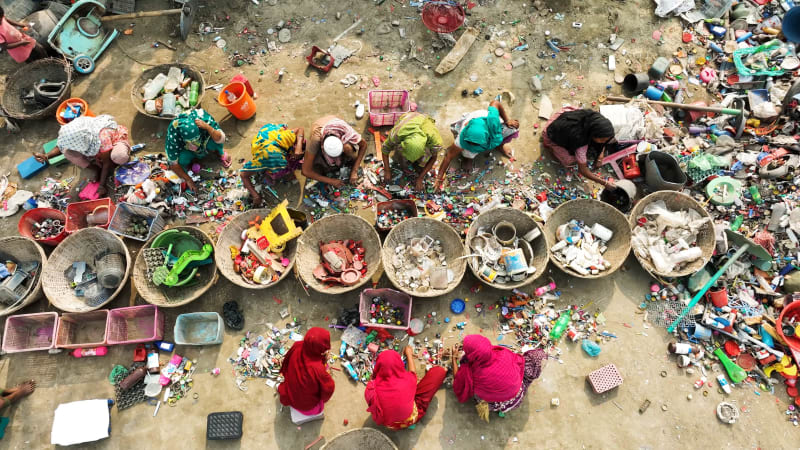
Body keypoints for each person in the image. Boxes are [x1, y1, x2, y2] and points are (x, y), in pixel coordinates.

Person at [452, 334, 546, 422]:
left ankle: (491, 406)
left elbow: (458, 380)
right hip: (518, 394)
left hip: (501, 402)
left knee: (474, 387)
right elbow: (518, 361)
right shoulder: (502, 353)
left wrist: (454, 358)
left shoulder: (470, 372)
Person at [34, 115, 131, 197]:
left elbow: (107, 163)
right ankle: (96, 168)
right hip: (93, 144)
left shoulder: (102, 138)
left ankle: (120, 149)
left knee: (118, 156)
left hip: (113, 140)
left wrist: (102, 185)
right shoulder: (72, 132)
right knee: (67, 152)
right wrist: (46, 156)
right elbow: (60, 146)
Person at [436, 100, 520, 188]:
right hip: (476, 124)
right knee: (468, 151)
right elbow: (448, 157)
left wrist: (507, 121)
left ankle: (500, 146)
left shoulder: (493, 121)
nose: (471, 145)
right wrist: (439, 177)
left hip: (487, 123)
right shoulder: (462, 138)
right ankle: (468, 158)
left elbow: (495, 103)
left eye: (475, 144)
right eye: (469, 143)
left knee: (512, 129)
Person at [365, 346, 447, 430]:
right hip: (410, 419)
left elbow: (373, 404)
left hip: (389, 424)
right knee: (439, 372)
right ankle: (408, 422)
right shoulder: (407, 381)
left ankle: (397, 423)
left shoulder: (370, 388)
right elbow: (413, 373)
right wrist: (409, 355)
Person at [541, 107, 618, 188]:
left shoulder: (593, 117)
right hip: (552, 133)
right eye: (601, 139)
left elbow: (605, 140)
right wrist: (604, 183)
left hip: (564, 117)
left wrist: (600, 155)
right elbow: (583, 170)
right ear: (593, 133)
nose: (603, 142)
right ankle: (551, 148)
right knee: (570, 160)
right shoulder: (580, 142)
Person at [165, 109, 231, 192]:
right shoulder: (174, 135)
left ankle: (220, 152)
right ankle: (193, 160)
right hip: (187, 148)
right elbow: (173, 163)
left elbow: (221, 138)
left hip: (204, 139)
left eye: (196, 138)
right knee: (181, 160)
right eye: (191, 140)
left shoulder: (202, 118)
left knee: (215, 140)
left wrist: (207, 127)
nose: (195, 142)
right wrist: (188, 179)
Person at [278, 327, 334, 424]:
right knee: (318, 406)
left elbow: (286, 364)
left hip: (291, 395)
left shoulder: (297, 345)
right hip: (306, 406)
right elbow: (328, 391)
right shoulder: (318, 370)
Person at [239, 123, 303, 206]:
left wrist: (299, 146)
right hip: (262, 142)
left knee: (298, 151)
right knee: (276, 173)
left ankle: (287, 165)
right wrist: (255, 196)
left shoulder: (283, 139)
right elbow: (243, 175)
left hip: (274, 135)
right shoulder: (259, 161)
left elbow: (300, 129)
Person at [381, 112, 444, 192]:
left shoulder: (436, 143)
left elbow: (434, 158)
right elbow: (385, 149)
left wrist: (420, 178)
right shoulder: (397, 134)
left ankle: (416, 159)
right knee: (401, 157)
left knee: (425, 159)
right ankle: (404, 156)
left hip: (425, 123)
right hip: (409, 118)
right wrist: (387, 170)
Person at [302, 115, 367, 188]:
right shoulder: (315, 141)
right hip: (319, 127)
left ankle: (349, 161)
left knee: (348, 148)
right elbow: (305, 171)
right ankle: (328, 163)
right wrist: (331, 181)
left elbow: (364, 145)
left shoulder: (345, 131)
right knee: (316, 170)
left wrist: (354, 170)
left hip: (333, 120)